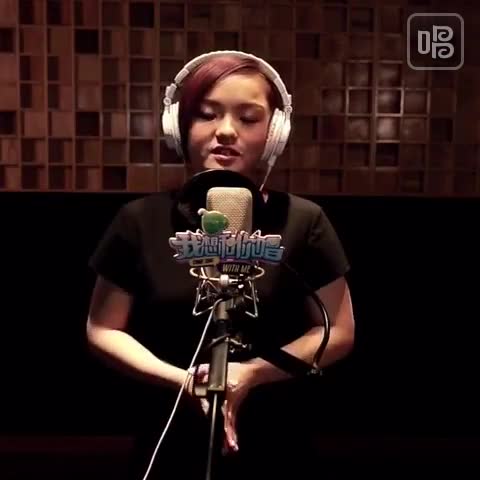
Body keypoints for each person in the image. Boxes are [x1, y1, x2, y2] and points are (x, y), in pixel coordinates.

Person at [86, 50, 355, 480]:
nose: (226, 131)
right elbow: (103, 328)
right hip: (168, 438)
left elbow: (338, 331)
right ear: (178, 126)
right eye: (207, 114)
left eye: (248, 118)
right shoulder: (139, 220)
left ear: (275, 132)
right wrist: (182, 381)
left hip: (279, 442)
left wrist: (250, 374)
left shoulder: (304, 221)